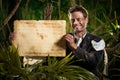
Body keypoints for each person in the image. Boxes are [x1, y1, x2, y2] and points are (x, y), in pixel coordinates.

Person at [65, 5, 106, 78]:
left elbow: (94, 62)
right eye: (72, 20)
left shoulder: (98, 40)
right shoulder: (66, 38)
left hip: (89, 77)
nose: (75, 23)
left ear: (86, 20)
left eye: (78, 19)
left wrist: (74, 46)